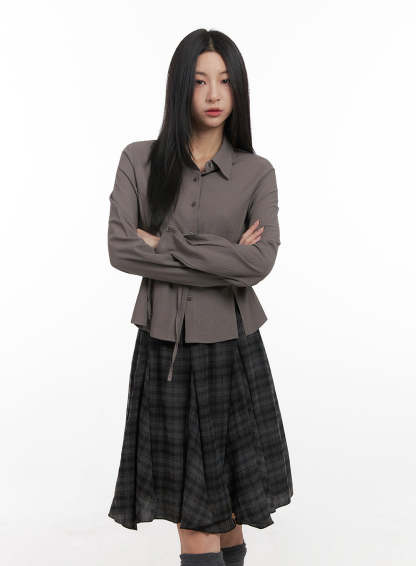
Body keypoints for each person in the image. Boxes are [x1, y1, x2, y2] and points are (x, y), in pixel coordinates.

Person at [107, 28, 293, 566]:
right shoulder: (138, 161)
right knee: (199, 519)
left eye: (225, 81)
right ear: (179, 88)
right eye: (200, 81)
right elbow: (121, 249)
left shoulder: (257, 173)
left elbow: (259, 263)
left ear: (238, 90)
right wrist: (224, 257)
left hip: (232, 353)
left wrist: (163, 244)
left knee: (224, 512)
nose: (214, 94)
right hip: (164, 352)